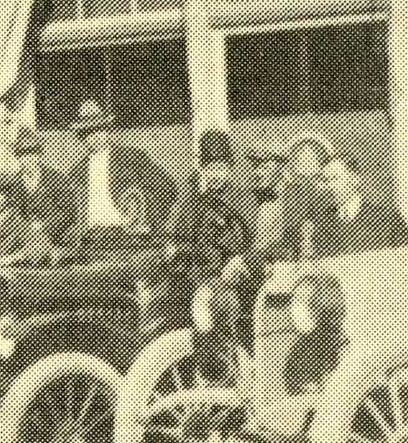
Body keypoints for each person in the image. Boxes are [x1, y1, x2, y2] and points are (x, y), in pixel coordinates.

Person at [158, 129, 258, 342]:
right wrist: (176, 251)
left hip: (233, 279)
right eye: (210, 168)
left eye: (221, 168)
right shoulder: (191, 202)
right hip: (197, 279)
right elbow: (174, 240)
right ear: (202, 169)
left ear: (230, 169)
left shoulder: (243, 199)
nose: (215, 174)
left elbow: (252, 244)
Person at [67, 101, 176, 255]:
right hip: (91, 242)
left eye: (99, 129)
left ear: (107, 130)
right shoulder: (76, 172)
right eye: (88, 133)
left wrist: (147, 219)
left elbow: (167, 187)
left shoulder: (131, 158)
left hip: (129, 239)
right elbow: (69, 210)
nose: (95, 136)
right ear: (82, 137)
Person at [316, 150, 408, 257]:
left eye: (334, 178)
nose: (328, 186)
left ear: (354, 180)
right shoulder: (322, 222)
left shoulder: (387, 218)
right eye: (325, 180)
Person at [266, 134, 338, 262]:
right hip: (289, 255)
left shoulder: (327, 192)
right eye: (300, 157)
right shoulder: (286, 191)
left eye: (310, 157)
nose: (305, 162)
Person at [9, 127, 74, 252]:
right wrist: (26, 229)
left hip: (55, 235)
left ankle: (20, 256)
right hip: (25, 235)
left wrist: (44, 227)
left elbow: (67, 211)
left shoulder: (56, 178)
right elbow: (14, 213)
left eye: (33, 154)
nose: (29, 160)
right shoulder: (15, 184)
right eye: (24, 155)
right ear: (18, 158)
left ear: (39, 155)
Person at [0, 169, 40, 268]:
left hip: (14, 274)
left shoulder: (18, 222)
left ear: (7, 198)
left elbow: (35, 250)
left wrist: (11, 259)